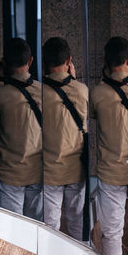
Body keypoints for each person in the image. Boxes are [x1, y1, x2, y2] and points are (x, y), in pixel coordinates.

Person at [0, 38, 43, 220]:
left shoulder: (0, 94)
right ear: (30, 61)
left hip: (8, 175)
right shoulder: (43, 92)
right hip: (37, 171)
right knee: (37, 230)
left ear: (5, 62)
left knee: (12, 232)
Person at [42, 37, 88, 241]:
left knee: (50, 227)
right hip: (76, 168)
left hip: (50, 170)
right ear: (69, 60)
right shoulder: (82, 90)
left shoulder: (38, 92)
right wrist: (74, 80)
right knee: (78, 224)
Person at [90, 36, 128, 255]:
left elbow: (92, 115)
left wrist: (103, 81)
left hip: (111, 171)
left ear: (106, 60)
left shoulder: (98, 92)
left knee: (112, 234)